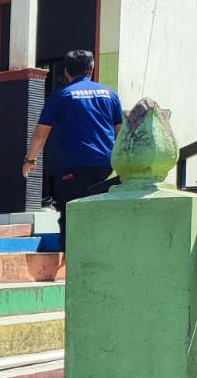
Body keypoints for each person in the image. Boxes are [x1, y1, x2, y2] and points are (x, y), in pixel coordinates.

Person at [23, 49, 123, 248]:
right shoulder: (110, 95)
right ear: (91, 70)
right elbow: (121, 133)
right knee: (97, 212)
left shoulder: (61, 96)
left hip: (75, 167)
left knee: (71, 215)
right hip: (105, 167)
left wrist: (30, 160)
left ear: (66, 72)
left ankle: (72, 264)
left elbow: (41, 133)